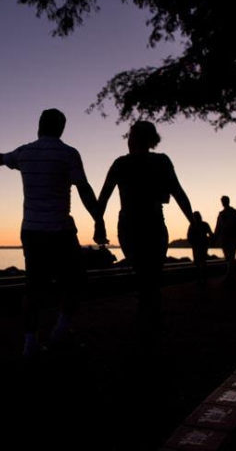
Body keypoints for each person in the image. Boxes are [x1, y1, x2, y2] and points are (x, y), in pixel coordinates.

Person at [0, 108, 106, 357]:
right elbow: (84, 188)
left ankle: (30, 343)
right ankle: (60, 333)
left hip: (31, 231)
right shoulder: (68, 154)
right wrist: (98, 220)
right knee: (75, 281)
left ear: (39, 126)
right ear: (61, 128)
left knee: (33, 288)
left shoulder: (25, 152)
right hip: (60, 230)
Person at [97, 121, 194, 343]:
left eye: (130, 135)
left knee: (144, 274)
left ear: (135, 139)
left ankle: (147, 317)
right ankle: (150, 316)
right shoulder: (161, 161)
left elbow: (103, 198)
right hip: (153, 222)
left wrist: (99, 224)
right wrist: (191, 220)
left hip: (132, 224)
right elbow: (178, 193)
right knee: (151, 275)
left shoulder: (122, 163)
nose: (128, 140)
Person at [214, 195, 236, 286]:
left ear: (227, 201)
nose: (223, 203)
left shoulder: (235, 213)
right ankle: (231, 277)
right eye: (222, 201)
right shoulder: (221, 214)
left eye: (224, 201)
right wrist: (215, 238)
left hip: (232, 238)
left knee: (230, 258)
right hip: (224, 239)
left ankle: (230, 278)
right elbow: (218, 227)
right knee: (228, 258)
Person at [187, 211, 214, 286]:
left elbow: (189, 236)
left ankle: (200, 280)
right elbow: (211, 234)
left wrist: (192, 242)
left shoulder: (193, 225)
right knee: (201, 262)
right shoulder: (203, 224)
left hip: (198, 246)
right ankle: (202, 279)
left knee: (199, 262)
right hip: (201, 245)